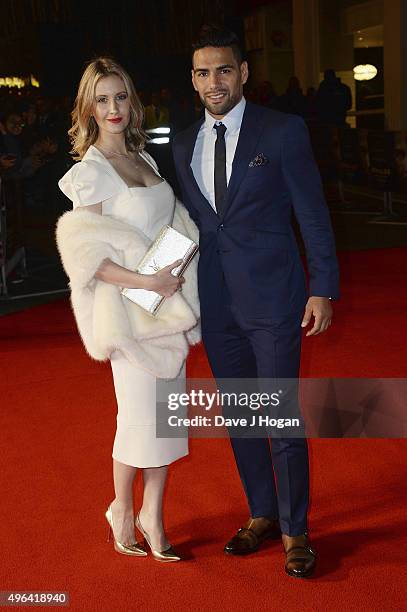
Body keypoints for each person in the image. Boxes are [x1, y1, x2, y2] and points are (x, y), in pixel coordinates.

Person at [172, 26, 339, 578]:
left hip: (275, 298)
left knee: (281, 416)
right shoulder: (182, 140)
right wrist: (142, 286)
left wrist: (323, 286)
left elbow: (312, 213)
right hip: (216, 303)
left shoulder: (283, 131)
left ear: (243, 73)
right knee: (243, 417)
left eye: (223, 70)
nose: (213, 81)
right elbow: (189, 223)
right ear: (194, 81)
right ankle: (262, 515)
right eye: (203, 72)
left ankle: (296, 531)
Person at [56, 57, 200, 562]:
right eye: (102, 100)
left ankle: (152, 517)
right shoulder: (89, 174)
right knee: (138, 419)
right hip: (128, 315)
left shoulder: (146, 160)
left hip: (165, 308)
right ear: (88, 109)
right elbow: (85, 256)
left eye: (120, 97)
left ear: (132, 102)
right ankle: (120, 507)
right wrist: (146, 280)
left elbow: (175, 225)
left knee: (167, 422)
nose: (113, 108)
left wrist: (177, 265)